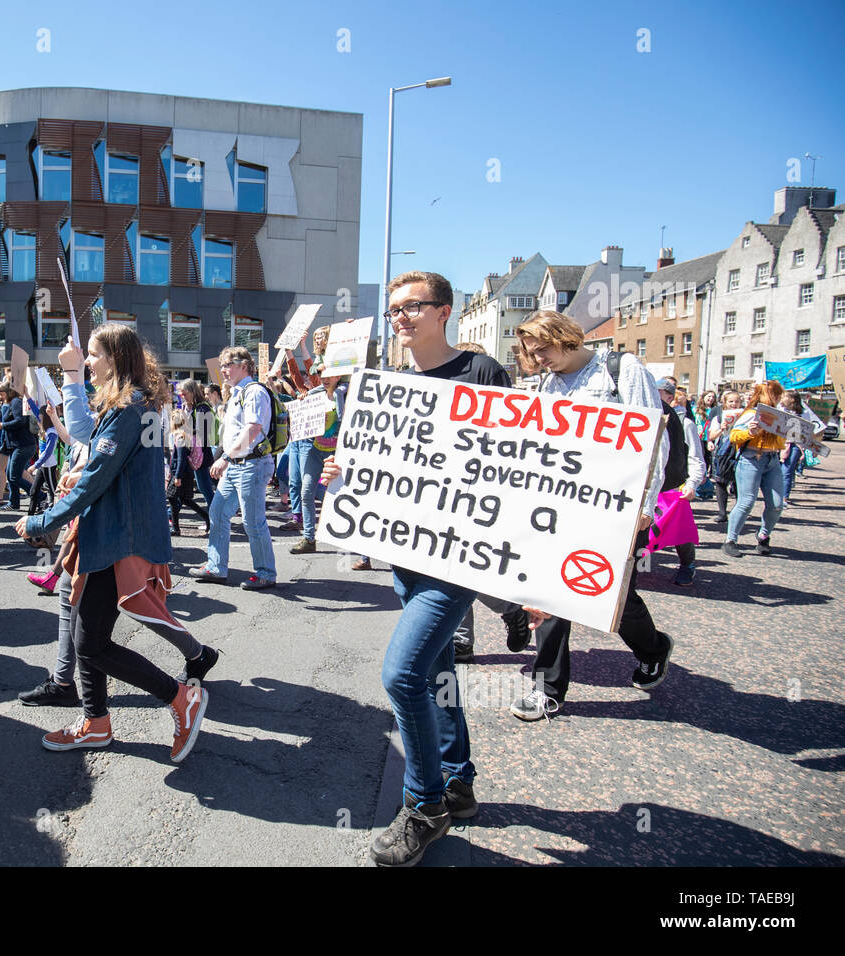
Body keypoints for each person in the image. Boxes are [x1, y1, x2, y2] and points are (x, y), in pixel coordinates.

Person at [320, 271, 507, 867]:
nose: (399, 318)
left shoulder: (483, 374)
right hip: (408, 553)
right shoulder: (393, 385)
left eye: (412, 307)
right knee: (438, 666)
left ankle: (424, 805)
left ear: (444, 311)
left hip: (457, 556)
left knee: (402, 676)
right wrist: (343, 476)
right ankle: (458, 781)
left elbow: (516, 472)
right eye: (394, 309)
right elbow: (378, 469)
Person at [15, 327, 210, 761]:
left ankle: (180, 698)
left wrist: (40, 521)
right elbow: (104, 467)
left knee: (90, 643)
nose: (89, 362)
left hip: (116, 538)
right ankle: (96, 723)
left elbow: (99, 477)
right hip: (110, 534)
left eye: (95, 355)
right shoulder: (132, 404)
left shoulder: (130, 408)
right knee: (89, 636)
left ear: (116, 359)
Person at [510, 310, 674, 721]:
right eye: (532, 352)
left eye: (543, 349)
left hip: (617, 506)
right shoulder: (549, 382)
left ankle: (653, 648)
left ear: (566, 338)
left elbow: (654, 441)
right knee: (548, 592)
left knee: (611, 595)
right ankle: (547, 687)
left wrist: (645, 506)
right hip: (563, 504)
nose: (538, 358)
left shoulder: (621, 370)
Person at [190, 346, 278, 590]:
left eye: (228, 364)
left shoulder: (254, 392)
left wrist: (225, 458)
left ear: (244, 365)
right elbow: (232, 435)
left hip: (252, 465)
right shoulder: (237, 394)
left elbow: (253, 430)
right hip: (238, 465)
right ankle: (216, 567)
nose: (223, 370)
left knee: (253, 522)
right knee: (218, 512)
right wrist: (223, 458)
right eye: (222, 365)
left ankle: (266, 573)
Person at [722, 381, 787, 558]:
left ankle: (763, 535)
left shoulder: (781, 416)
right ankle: (731, 540)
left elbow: (782, 442)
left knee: (776, 504)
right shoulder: (751, 414)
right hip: (751, 459)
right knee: (746, 501)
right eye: (776, 394)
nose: (779, 398)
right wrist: (750, 433)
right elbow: (734, 436)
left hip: (772, 460)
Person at [288, 359, 343, 555]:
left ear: (338, 376)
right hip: (315, 450)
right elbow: (297, 402)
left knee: (344, 495)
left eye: (329, 375)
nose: (324, 379)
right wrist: (301, 402)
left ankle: (363, 552)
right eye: (321, 375)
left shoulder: (345, 395)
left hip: (338, 455)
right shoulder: (315, 394)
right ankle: (309, 538)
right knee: (306, 491)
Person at [656, 377, 707, 586]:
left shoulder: (684, 423)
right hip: (649, 482)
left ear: (669, 397)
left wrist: (692, 483)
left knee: (678, 527)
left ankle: (687, 564)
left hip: (673, 483)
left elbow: (695, 457)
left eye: (657, 392)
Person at [0, 381, 38, 510]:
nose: (0, 396)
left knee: (14, 476)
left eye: (1, 393)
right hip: (18, 445)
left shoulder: (15, 402)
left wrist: (2, 425)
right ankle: (14, 503)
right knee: (10, 474)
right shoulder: (12, 402)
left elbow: (20, 421)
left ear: (6, 393)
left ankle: (39, 496)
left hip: (23, 445)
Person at [167, 408, 209, 537]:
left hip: (181, 473)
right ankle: (206, 517)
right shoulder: (187, 434)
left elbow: (181, 459)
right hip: (186, 473)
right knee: (185, 499)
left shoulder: (180, 437)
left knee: (172, 498)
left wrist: (177, 476)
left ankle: (175, 528)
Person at [778, 391, 824, 503]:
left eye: (784, 397)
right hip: (779, 443)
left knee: (787, 470)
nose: (781, 399)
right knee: (777, 471)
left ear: (792, 400)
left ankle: (784, 497)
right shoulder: (779, 410)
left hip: (795, 445)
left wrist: (813, 447)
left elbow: (809, 432)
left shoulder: (805, 413)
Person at [178, 379, 216, 508]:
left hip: (200, 453)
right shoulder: (190, 407)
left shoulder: (202, 408)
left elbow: (202, 432)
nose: (182, 397)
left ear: (192, 392)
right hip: (191, 453)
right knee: (198, 486)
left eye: (184, 394)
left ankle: (215, 518)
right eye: (180, 395)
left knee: (205, 487)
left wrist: (185, 426)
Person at [709, 390, 742, 524]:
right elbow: (711, 436)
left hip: (741, 451)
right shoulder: (719, 416)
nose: (734, 404)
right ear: (725, 403)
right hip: (725, 451)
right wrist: (722, 429)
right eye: (731, 401)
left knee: (740, 482)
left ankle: (739, 511)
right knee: (721, 481)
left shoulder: (746, 415)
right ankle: (722, 512)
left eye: (737, 401)